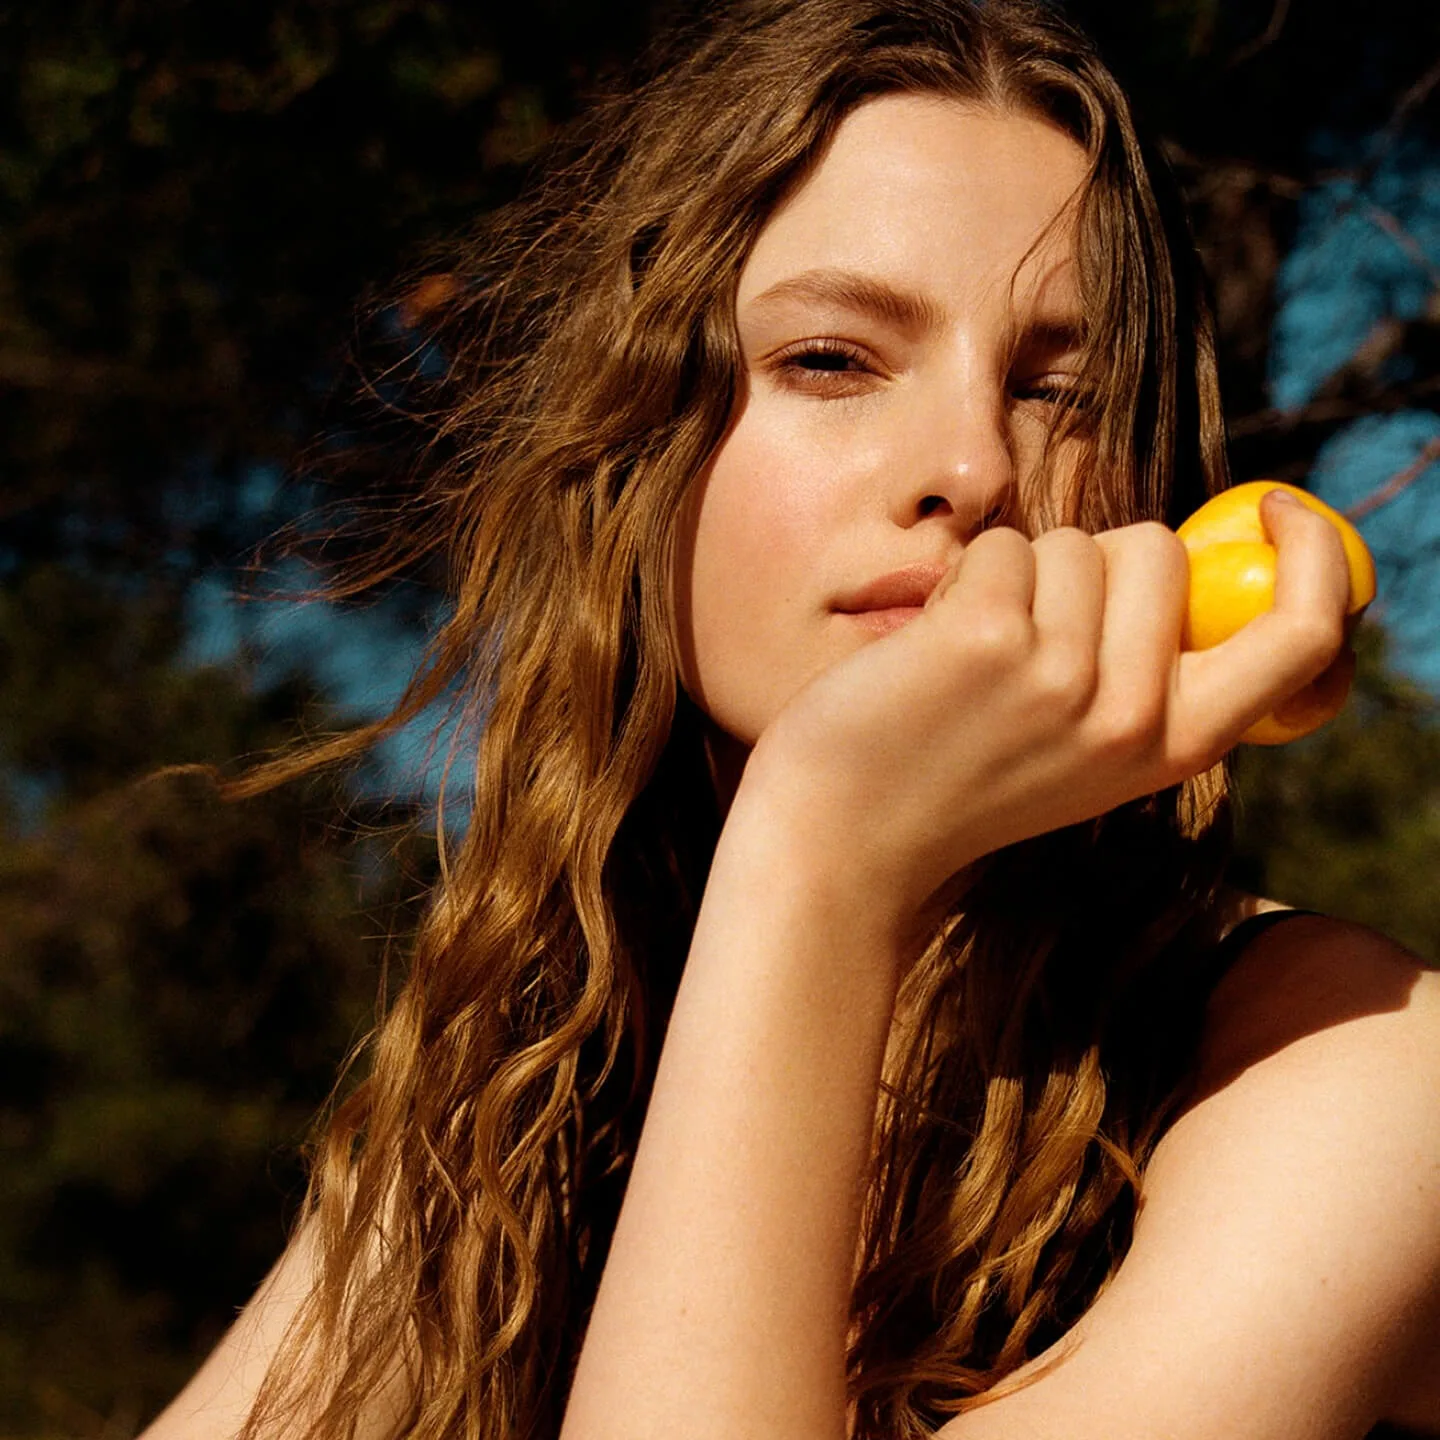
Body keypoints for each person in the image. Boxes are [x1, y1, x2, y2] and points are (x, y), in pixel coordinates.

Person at [139, 2, 1440, 1437]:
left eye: (1060, 391)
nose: (972, 465)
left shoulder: (1351, 1072)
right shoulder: (522, 1076)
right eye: (831, 360)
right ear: (629, 454)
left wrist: (823, 854)